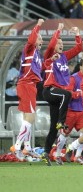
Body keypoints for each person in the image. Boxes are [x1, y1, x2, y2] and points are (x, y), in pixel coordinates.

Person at [41, 25, 83, 166]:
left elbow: (78, 49)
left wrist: (77, 34)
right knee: (66, 94)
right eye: (59, 43)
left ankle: (46, 152)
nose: (60, 45)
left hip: (58, 95)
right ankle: (62, 122)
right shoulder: (49, 56)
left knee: (53, 127)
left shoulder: (64, 56)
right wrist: (58, 29)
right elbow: (52, 43)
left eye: (62, 43)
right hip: (50, 90)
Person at [10, 19, 45, 161]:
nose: (42, 41)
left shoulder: (36, 55)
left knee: (27, 118)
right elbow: (31, 38)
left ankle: (27, 147)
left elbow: (39, 70)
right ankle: (17, 146)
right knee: (30, 117)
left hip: (31, 85)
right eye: (40, 38)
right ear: (34, 39)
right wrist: (38, 25)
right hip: (26, 84)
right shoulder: (29, 48)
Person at [55, 59, 83, 165]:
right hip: (71, 111)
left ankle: (77, 156)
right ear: (80, 67)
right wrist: (77, 94)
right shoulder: (74, 78)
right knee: (64, 134)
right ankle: (57, 155)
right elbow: (67, 92)